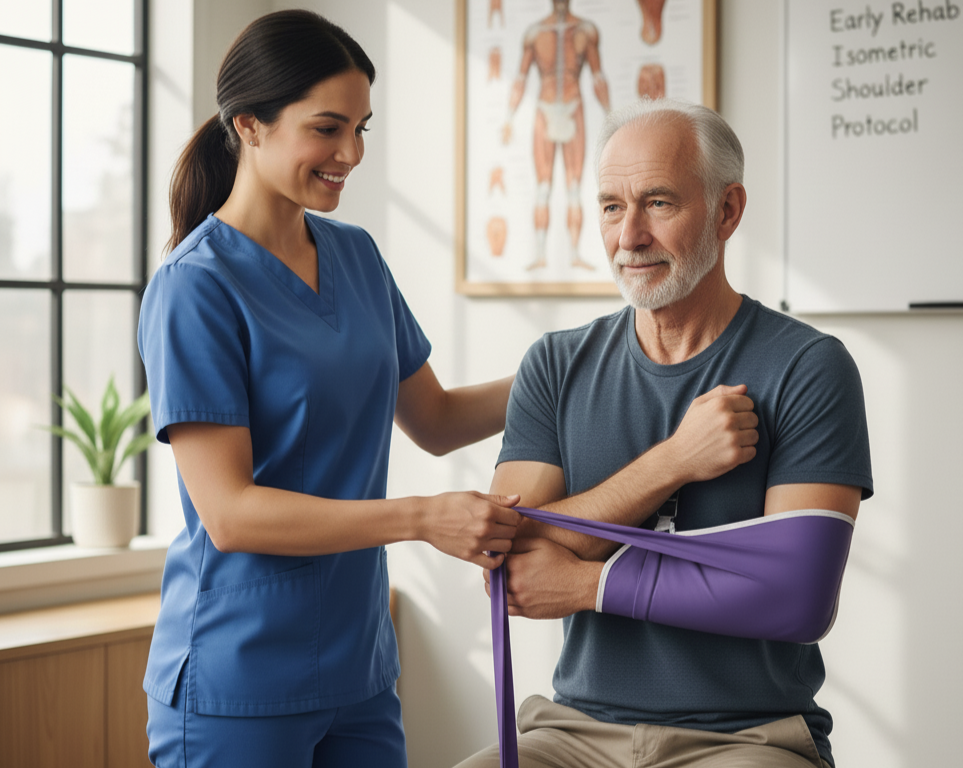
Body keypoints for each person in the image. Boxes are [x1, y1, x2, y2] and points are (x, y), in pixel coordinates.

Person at [138, 11, 521, 768]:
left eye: (362, 127)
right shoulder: (196, 288)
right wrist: (422, 518)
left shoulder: (357, 256)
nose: (352, 153)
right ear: (248, 124)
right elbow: (231, 514)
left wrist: (573, 370)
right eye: (328, 128)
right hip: (238, 679)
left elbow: (436, 419)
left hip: (359, 669)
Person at [458, 99, 873, 768]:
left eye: (658, 203)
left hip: (747, 739)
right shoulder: (556, 364)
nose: (629, 237)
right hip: (573, 733)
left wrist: (588, 583)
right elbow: (509, 560)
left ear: (728, 211)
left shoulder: (808, 367)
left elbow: (796, 598)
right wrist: (673, 462)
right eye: (612, 208)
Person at [502, 0, 610, 271]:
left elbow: (598, 76)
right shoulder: (535, 33)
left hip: (573, 107)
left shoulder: (585, 30)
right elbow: (520, 78)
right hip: (545, 108)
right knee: (543, 188)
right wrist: (508, 118)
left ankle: (574, 254)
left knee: (573, 188)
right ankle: (541, 254)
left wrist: (610, 115)